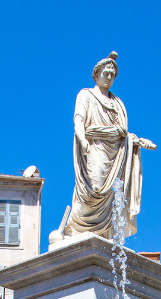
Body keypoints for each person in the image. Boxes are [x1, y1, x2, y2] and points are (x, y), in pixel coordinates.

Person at [52, 52, 155, 244]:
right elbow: (78, 121)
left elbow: (122, 133)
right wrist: (82, 140)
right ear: (97, 74)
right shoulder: (86, 95)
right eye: (106, 73)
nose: (109, 78)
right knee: (95, 189)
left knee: (111, 196)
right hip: (94, 147)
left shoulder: (118, 103)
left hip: (115, 154)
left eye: (112, 75)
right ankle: (74, 228)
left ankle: (103, 234)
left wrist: (136, 141)